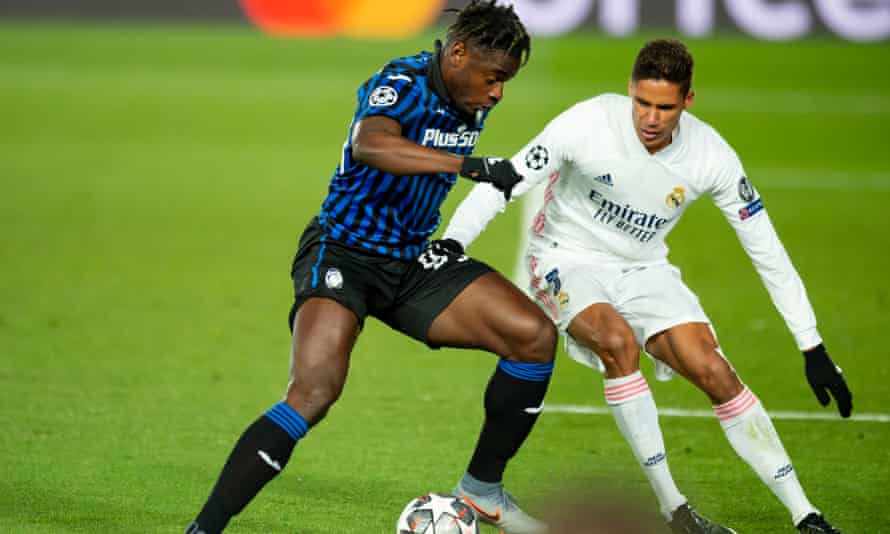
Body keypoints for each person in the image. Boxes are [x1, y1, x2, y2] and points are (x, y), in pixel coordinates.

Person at [442, 38, 853, 534]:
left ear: (688, 102)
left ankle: (804, 513)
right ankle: (674, 508)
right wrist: (452, 242)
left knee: (713, 369)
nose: (651, 118)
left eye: (665, 107)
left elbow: (766, 249)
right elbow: (505, 180)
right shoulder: (588, 122)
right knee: (617, 342)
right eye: (642, 102)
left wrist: (811, 344)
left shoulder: (711, 156)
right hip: (565, 258)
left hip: (644, 268)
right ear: (630, 91)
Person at [185, 3, 556, 533]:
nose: (498, 92)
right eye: (494, 77)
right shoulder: (400, 81)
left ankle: (482, 491)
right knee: (313, 393)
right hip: (344, 253)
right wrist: (467, 165)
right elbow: (371, 145)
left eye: (506, 82)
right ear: (456, 54)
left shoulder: (470, 96)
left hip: (410, 261)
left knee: (534, 336)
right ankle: (202, 530)